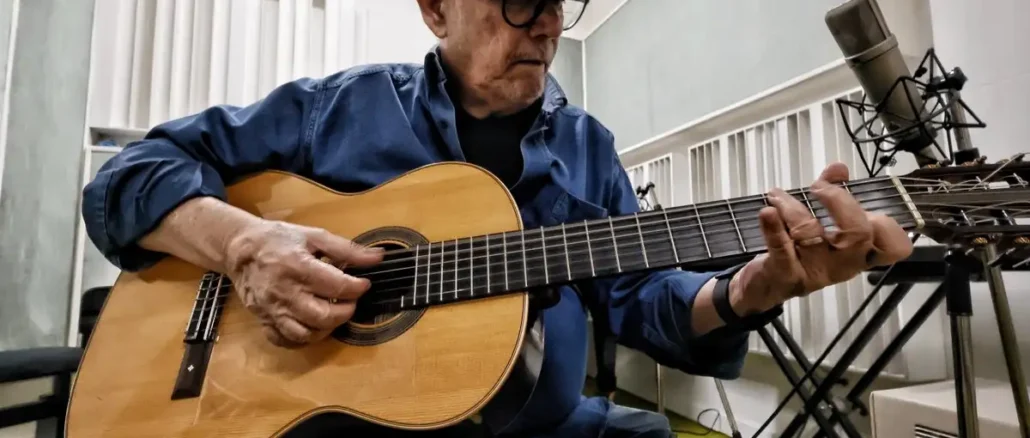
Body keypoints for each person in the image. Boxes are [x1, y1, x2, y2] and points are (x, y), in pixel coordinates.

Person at [80, 0, 913, 436]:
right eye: (518, 0)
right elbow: (127, 178)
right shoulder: (335, 111)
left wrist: (750, 288)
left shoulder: (588, 147)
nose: (546, 24)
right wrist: (244, 244)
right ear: (435, 8)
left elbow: (644, 304)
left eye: (557, 2)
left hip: (536, 425)